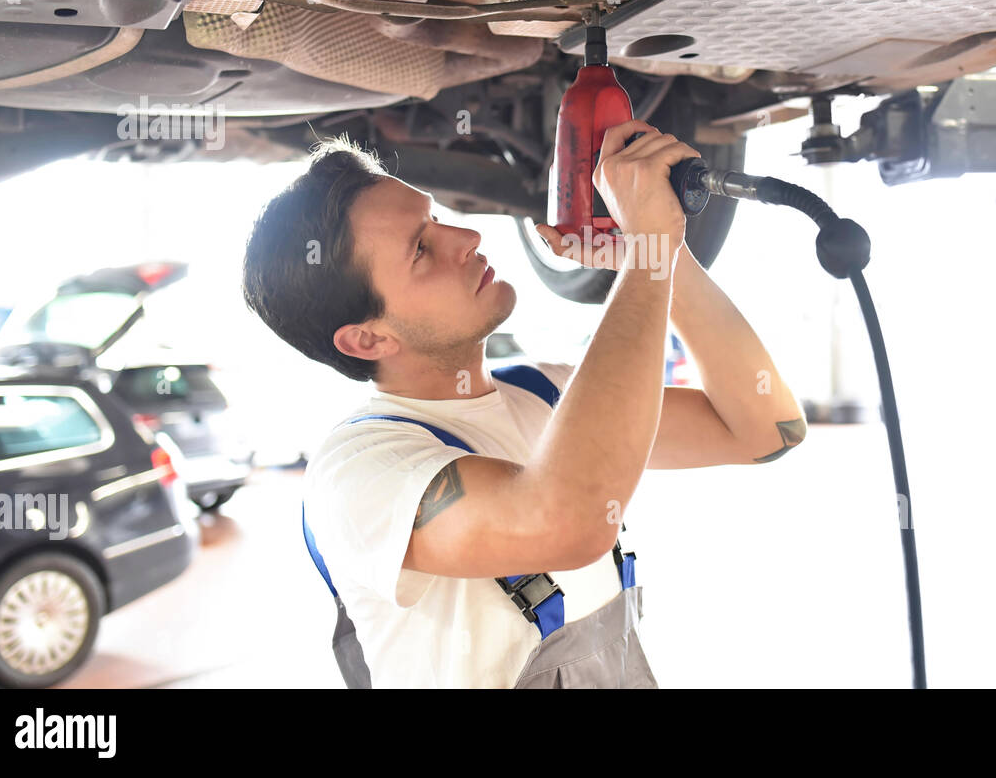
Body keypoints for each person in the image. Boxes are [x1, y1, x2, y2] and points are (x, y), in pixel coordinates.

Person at [241, 118, 808, 687]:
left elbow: (767, 429)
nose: (467, 239)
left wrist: (665, 258)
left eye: (436, 219)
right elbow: (567, 523)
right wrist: (648, 257)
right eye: (421, 248)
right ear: (368, 338)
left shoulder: (543, 393)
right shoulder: (360, 468)